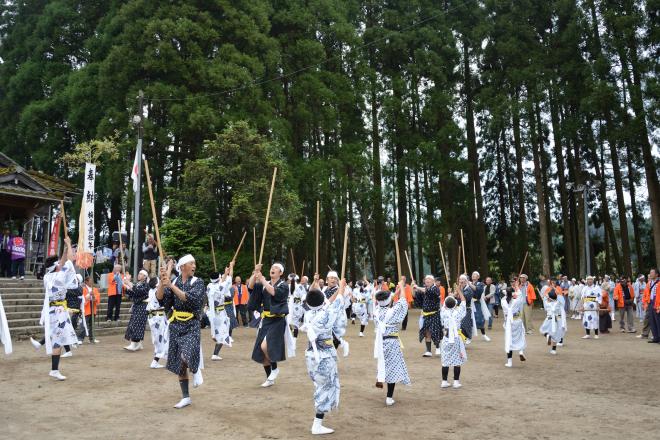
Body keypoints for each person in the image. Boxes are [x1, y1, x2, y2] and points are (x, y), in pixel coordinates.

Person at [156, 255, 205, 408]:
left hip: (192, 324)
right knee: (180, 363)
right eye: (191, 263)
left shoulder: (198, 282)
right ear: (183, 267)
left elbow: (189, 299)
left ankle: (196, 369)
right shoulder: (175, 282)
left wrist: (170, 285)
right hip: (176, 324)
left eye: (194, 263)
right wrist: (162, 282)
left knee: (186, 353)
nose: (194, 265)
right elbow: (160, 298)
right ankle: (186, 397)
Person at [301, 276, 347, 435]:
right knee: (324, 387)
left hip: (311, 355)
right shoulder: (324, 315)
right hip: (324, 355)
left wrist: (340, 289)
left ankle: (319, 422)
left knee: (321, 385)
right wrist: (342, 287)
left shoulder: (308, 313)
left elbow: (330, 303)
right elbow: (339, 303)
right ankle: (317, 424)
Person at [30, 236, 78, 380]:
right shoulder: (58, 277)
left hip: (55, 311)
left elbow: (64, 259)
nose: (61, 263)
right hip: (57, 312)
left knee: (59, 338)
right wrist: (69, 245)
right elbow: (71, 259)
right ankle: (54, 370)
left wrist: (65, 248)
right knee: (58, 340)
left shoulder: (48, 276)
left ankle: (41, 345)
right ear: (56, 267)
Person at [248, 262, 295, 387]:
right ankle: (270, 378)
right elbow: (251, 287)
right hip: (266, 320)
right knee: (261, 352)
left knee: (265, 346)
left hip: (278, 320)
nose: (272, 269)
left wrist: (263, 280)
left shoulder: (283, 285)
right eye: (272, 267)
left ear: (281, 273)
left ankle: (275, 368)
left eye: (276, 268)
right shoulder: (264, 284)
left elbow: (275, 293)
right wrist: (255, 272)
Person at [374, 280, 410, 406]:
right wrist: (401, 287)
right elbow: (403, 303)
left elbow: (389, 302)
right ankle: (389, 397)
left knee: (383, 364)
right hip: (392, 342)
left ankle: (380, 378)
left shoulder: (377, 311)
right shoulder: (393, 312)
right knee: (393, 368)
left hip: (381, 342)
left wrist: (397, 291)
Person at [439, 291, 467, 388]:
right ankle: (456, 381)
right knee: (457, 360)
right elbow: (463, 302)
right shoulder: (458, 313)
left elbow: (443, 305)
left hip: (446, 337)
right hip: (456, 338)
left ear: (445, 305)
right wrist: (459, 291)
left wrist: (450, 296)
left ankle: (444, 381)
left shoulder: (443, 312)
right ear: (455, 305)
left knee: (445, 360)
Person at [207, 264, 233, 360]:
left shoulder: (209, 286)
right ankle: (215, 354)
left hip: (213, 313)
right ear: (219, 278)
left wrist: (225, 274)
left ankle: (215, 340)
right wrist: (228, 272)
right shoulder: (220, 287)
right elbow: (228, 282)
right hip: (220, 313)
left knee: (220, 333)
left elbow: (222, 283)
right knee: (223, 333)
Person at [412, 275, 442, 357]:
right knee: (427, 332)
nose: (427, 281)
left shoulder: (435, 288)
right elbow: (415, 297)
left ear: (433, 282)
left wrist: (417, 287)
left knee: (435, 331)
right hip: (425, 314)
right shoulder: (423, 290)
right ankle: (428, 351)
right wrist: (414, 289)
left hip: (434, 314)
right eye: (426, 280)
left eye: (429, 280)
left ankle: (438, 348)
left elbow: (428, 292)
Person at [124, 270, 150, 351]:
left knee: (137, 324)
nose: (139, 275)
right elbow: (132, 294)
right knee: (133, 324)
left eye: (141, 274)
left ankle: (134, 344)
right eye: (139, 273)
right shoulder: (138, 284)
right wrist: (127, 287)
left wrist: (129, 283)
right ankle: (137, 344)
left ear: (145, 276)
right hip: (137, 306)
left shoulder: (146, 285)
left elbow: (139, 292)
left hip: (142, 306)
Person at [502, 284, 527, 367]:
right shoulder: (517, 301)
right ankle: (521, 351)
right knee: (520, 337)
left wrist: (512, 292)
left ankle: (509, 362)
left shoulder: (503, 301)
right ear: (513, 293)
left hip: (508, 323)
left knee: (509, 340)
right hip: (517, 321)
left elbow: (506, 295)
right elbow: (521, 296)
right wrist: (517, 288)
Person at [146, 276, 168, 368]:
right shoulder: (156, 292)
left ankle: (156, 361)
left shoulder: (151, 291)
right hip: (158, 318)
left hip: (154, 317)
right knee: (163, 339)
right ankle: (156, 361)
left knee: (160, 340)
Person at [540, 289, 566, 355]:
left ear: (550, 298)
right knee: (555, 335)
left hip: (549, 319)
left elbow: (545, 304)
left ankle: (548, 336)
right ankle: (554, 350)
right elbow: (561, 299)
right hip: (557, 320)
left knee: (542, 330)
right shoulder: (559, 303)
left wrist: (545, 298)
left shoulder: (547, 304)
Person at [467, 271, 491, 341]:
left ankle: (484, 335)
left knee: (480, 319)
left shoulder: (480, 284)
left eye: (475, 275)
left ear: (478, 277)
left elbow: (477, 290)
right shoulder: (469, 283)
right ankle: (469, 337)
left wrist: (469, 284)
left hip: (477, 303)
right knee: (469, 320)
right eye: (472, 274)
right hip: (469, 304)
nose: (473, 276)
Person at [77, 276, 100, 344]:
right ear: (86, 282)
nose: (92, 282)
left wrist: (94, 297)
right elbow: (82, 298)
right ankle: (80, 338)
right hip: (86, 309)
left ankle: (92, 338)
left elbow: (97, 298)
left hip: (93, 308)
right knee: (83, 325)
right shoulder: (83, 289)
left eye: (92, 280)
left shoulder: (95, 289)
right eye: (90, 280)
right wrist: (88, 295)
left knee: (92, 325)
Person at [641, 268, 659, 343]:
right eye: (650, 272)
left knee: (658, 321)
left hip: (657, 303)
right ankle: (655, 337)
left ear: (656, 274)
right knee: (652, 321)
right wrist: (645, 303)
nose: (650, 274)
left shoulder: (659, 283)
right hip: (650, 302)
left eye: (652, 273)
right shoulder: (649, 283)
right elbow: (646, 293)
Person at [65, 274, 84, 345]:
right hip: (66, 307)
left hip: (75, 308)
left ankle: (73, 340)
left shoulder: (79, 288)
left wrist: (68, 290)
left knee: (73, 325)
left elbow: (78, 292)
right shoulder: (68, 286)